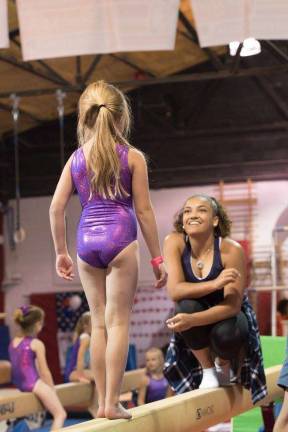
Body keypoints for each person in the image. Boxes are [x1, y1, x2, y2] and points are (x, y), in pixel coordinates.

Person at [49, 80, 167, 420]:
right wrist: (157, 258)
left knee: (97, 324)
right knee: (118, 324)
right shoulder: (132, 157)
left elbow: (56, 208)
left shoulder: (76, 159)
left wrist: (62, 252)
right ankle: (112, 402)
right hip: (120, 238)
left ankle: (100, 402)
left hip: (86, 242)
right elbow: (144, 211)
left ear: (85, 117)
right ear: (121, 116)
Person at [163, 194, 267, 404]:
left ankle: (223, 363)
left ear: (215, 220)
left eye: (201, 210)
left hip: (227, 316)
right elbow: (175, 291)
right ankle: (207, 369)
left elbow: (231, 306)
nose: (193, 215)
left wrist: (193, 321)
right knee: (185, 306)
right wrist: (214, 284)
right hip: (196, 312)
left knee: (226, 333)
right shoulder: (174, 242)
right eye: (187, 211)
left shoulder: (231, 250)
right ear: (182, 221)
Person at [9, 305, 67, 430]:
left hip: (20, 386)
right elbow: (44, 371)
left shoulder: (13, 342)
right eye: (41, 322)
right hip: (34, 384)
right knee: (60, 414)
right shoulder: (36, 344)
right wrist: (52, 389)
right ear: (37, 324)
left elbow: (20, 366)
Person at [64, 311, 92, 383]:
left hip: (81, 370)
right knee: (101, 377)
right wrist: (80, 376)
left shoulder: (86, 337)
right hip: (74, 372)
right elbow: (80, 358)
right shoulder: (85, 337)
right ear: (86, 326)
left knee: (100, 377)